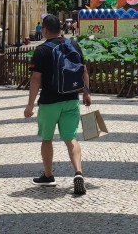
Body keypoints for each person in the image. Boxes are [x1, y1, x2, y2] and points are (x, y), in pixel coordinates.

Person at [24, 15, 91, 196]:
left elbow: (36, 79)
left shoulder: (42, 50)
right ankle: (78, 172)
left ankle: (48, 175)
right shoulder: (73, 45)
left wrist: (30, 105)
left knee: (47, 139)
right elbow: (84, 70)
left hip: (49, 101)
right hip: (71, 99)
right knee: (71, 138)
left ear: (44, 29)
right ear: (60, 29)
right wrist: (86, 92)